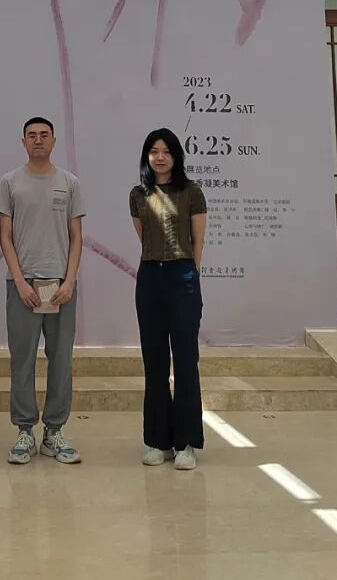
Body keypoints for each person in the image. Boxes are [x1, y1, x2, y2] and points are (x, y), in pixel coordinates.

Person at [0, 117, 85, 465]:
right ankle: (24, 431)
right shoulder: (9, 182)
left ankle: (54, 431)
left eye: (44, 135)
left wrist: (69, 281)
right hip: (23, 286)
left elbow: (76, 237)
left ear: (54, 141)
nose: (38, 140)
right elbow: (5, 237)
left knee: (61, 359)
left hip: (60, 286)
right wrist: (20, 281)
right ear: (23, 142)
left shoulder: (70, 183)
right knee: (23, 359)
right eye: (31, 135)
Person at [129, 128, 207, 470]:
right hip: (149, 277)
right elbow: (144, 237)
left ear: (176, 156)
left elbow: (197, 240)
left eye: (166, 151)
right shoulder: (138, 194)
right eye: (153, 151)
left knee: (186, 360)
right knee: (155, 361)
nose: (160, 157)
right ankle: (158, 441)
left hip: (182, 275)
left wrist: (189, 273)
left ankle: (186, 442)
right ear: (146, 156)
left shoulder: (192, 191)